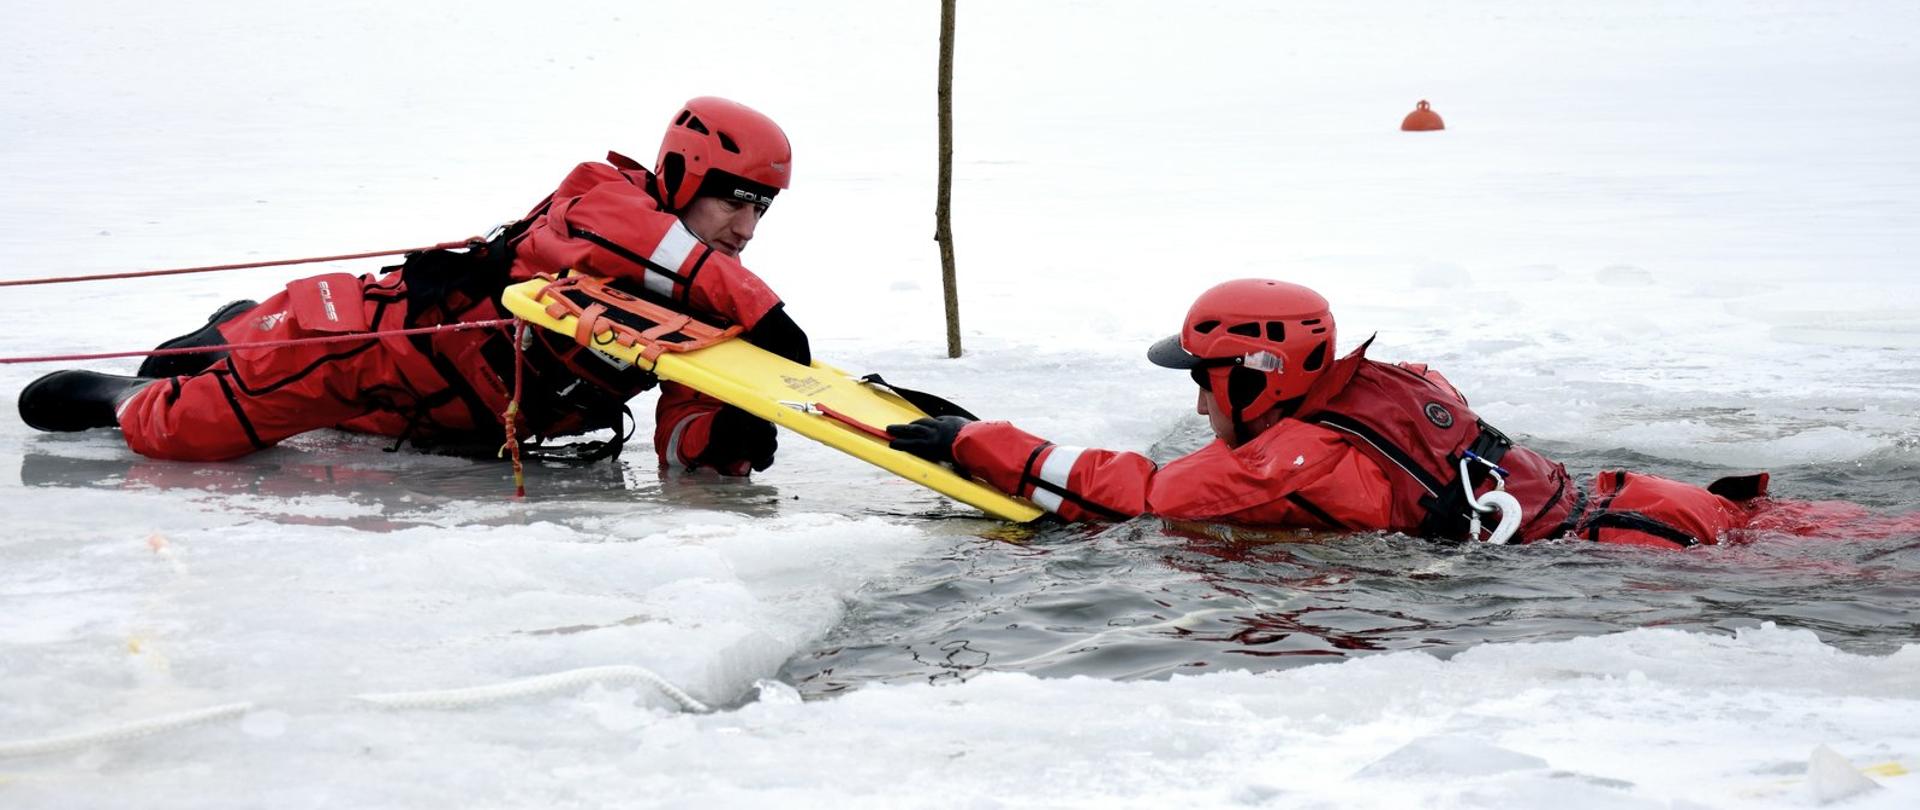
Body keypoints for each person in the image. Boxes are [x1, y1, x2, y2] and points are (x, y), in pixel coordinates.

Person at [17, 97, 809, 475]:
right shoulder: (602, 200)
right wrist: (768, 315)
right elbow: (637, 243)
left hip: (433, 421)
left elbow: (684, 444)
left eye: (761, 210)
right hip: (370, 350)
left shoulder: (710, 300)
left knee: (265, 391)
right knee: (178, 422)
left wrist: (724, 443)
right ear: (682, 173)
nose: (745, 228)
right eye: (733, 199)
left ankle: (230, 333)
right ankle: (124, 392)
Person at [887, 279, 1920, 548]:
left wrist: (980, 440)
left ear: (1256, 372)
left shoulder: (1285, 454)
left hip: (1637, 547)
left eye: (1205, 375)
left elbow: (1150, 497)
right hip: (1658, 508)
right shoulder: (1385, 383)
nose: (1199, 398)